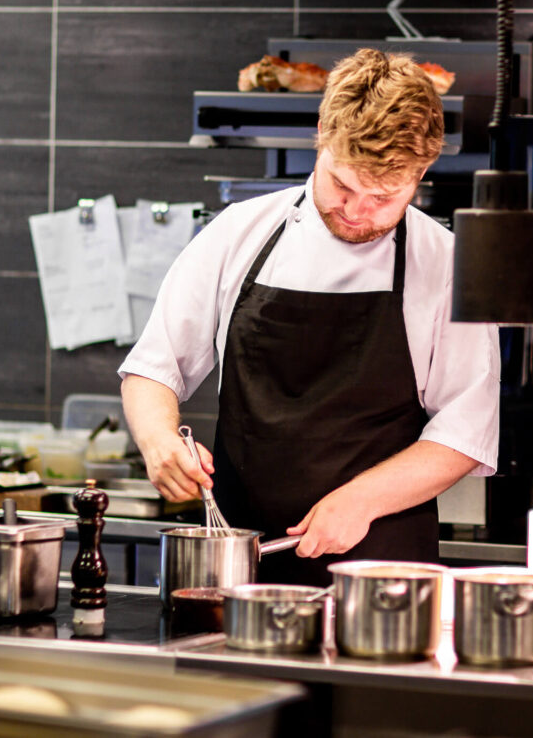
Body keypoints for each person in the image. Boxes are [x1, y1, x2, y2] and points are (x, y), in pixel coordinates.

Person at [118, 48, 499, 585]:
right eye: (343, 185)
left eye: (384, 197)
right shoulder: (239, 234)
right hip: (240, 566)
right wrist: (159, 440)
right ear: (322, 132)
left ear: (422, 171)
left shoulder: (446, 264)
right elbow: (154, 367)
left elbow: (465, 431)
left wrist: (362, 500)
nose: (357, 211)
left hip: (380, 577)